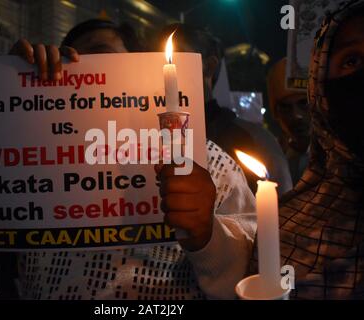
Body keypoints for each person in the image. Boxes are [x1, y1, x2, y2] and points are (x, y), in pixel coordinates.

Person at [10, 19, 256, 299]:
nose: (81, 70)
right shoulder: (32, 159)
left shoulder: (208, 163)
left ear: (141, 68)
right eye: (66, 62)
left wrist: (207, 235)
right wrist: (2, 92)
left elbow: (248, 277)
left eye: (101, 56)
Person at [164, 0, 364, 299]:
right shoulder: (296, 225)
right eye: (351, 60)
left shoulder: (251, 139)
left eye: (300, 104)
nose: (296, 116)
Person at [156, 24, 293, 195]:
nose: (158, 68)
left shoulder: (255, 141)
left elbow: (283, 211)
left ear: (209, 66)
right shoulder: (137, 136)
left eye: (173, 59)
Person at [267, 58, 310, 184]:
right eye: (285, 107)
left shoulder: (342, 160)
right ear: (276, 114)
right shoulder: (271, 159)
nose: (296, 115)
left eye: (304, 103)